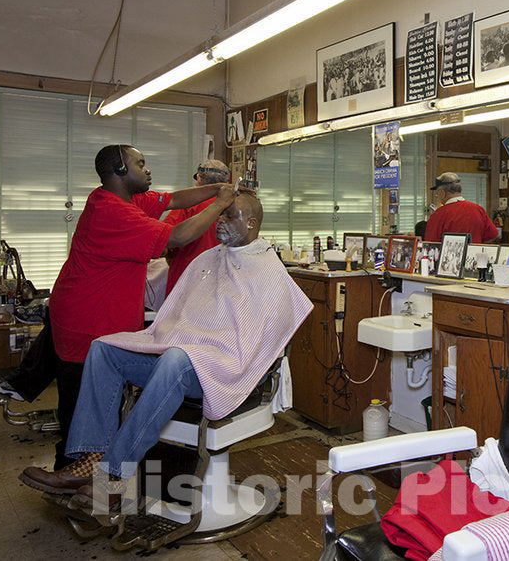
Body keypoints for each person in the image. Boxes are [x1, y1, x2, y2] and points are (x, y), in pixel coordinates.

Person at [19, 192, 313, 507]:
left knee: (177, 359)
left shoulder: (269, 271)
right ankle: (91, 459)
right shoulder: (209, 259)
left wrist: (204, 350)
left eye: (231, 216)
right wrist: (183, 339)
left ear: (252, 223)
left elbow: (259, 340)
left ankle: (114, 476)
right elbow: (179, 311)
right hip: (184, 360)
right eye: (220, 215)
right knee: (104, 349)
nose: (221, 222)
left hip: (224, 370)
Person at [45, 144, 237, 469]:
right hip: (87, 319)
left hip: (96, 314)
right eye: (141, 164)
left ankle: (93, 470)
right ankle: (74, 474)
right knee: (83, 402)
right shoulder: (114, 212)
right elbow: (176, 237)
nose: (148, 170)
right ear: (121, 170)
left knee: (103, 398)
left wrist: (216, 189)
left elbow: (174, 199)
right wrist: (218, 203)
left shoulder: (124, 198)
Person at [162, 159, 230, 296]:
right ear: (226, 181)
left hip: (187, 281)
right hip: (223, 281)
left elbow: (163, 244)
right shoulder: (235, 206)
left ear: (199, 178)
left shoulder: (185, 206)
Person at [423, 173, 498, 244]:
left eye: (437, 193)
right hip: (472, 256)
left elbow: (430, 244)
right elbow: (493, 235)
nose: (436, 196)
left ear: (442, 193)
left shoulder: (439, 214)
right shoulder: (478, 209)